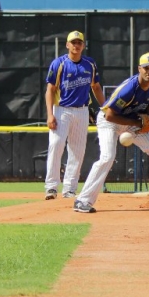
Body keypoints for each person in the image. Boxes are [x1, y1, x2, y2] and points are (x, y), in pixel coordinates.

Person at [73, 53, 149, 213]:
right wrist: (137, 123)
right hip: (109, 122)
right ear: (139, 69)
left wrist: (145, 121)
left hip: (131, 121)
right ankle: (82, 200)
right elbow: (109, 115)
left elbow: (146, 104)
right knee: (107, 157)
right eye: (146, 68)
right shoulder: (128, 89)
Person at [44, 30, 105, 200]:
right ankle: (51, 186)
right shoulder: (59, 63)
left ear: (83, 45)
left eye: (79, 42)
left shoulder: (90, 64)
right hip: (61, 109)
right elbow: (50, 90)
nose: (76, 45)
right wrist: (50, 114)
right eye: (73, 42)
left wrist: (106, 108)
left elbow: (96, 87)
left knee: (77, 150)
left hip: (82, 110)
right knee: (56, 145)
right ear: (67, 45)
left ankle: (70, 188)